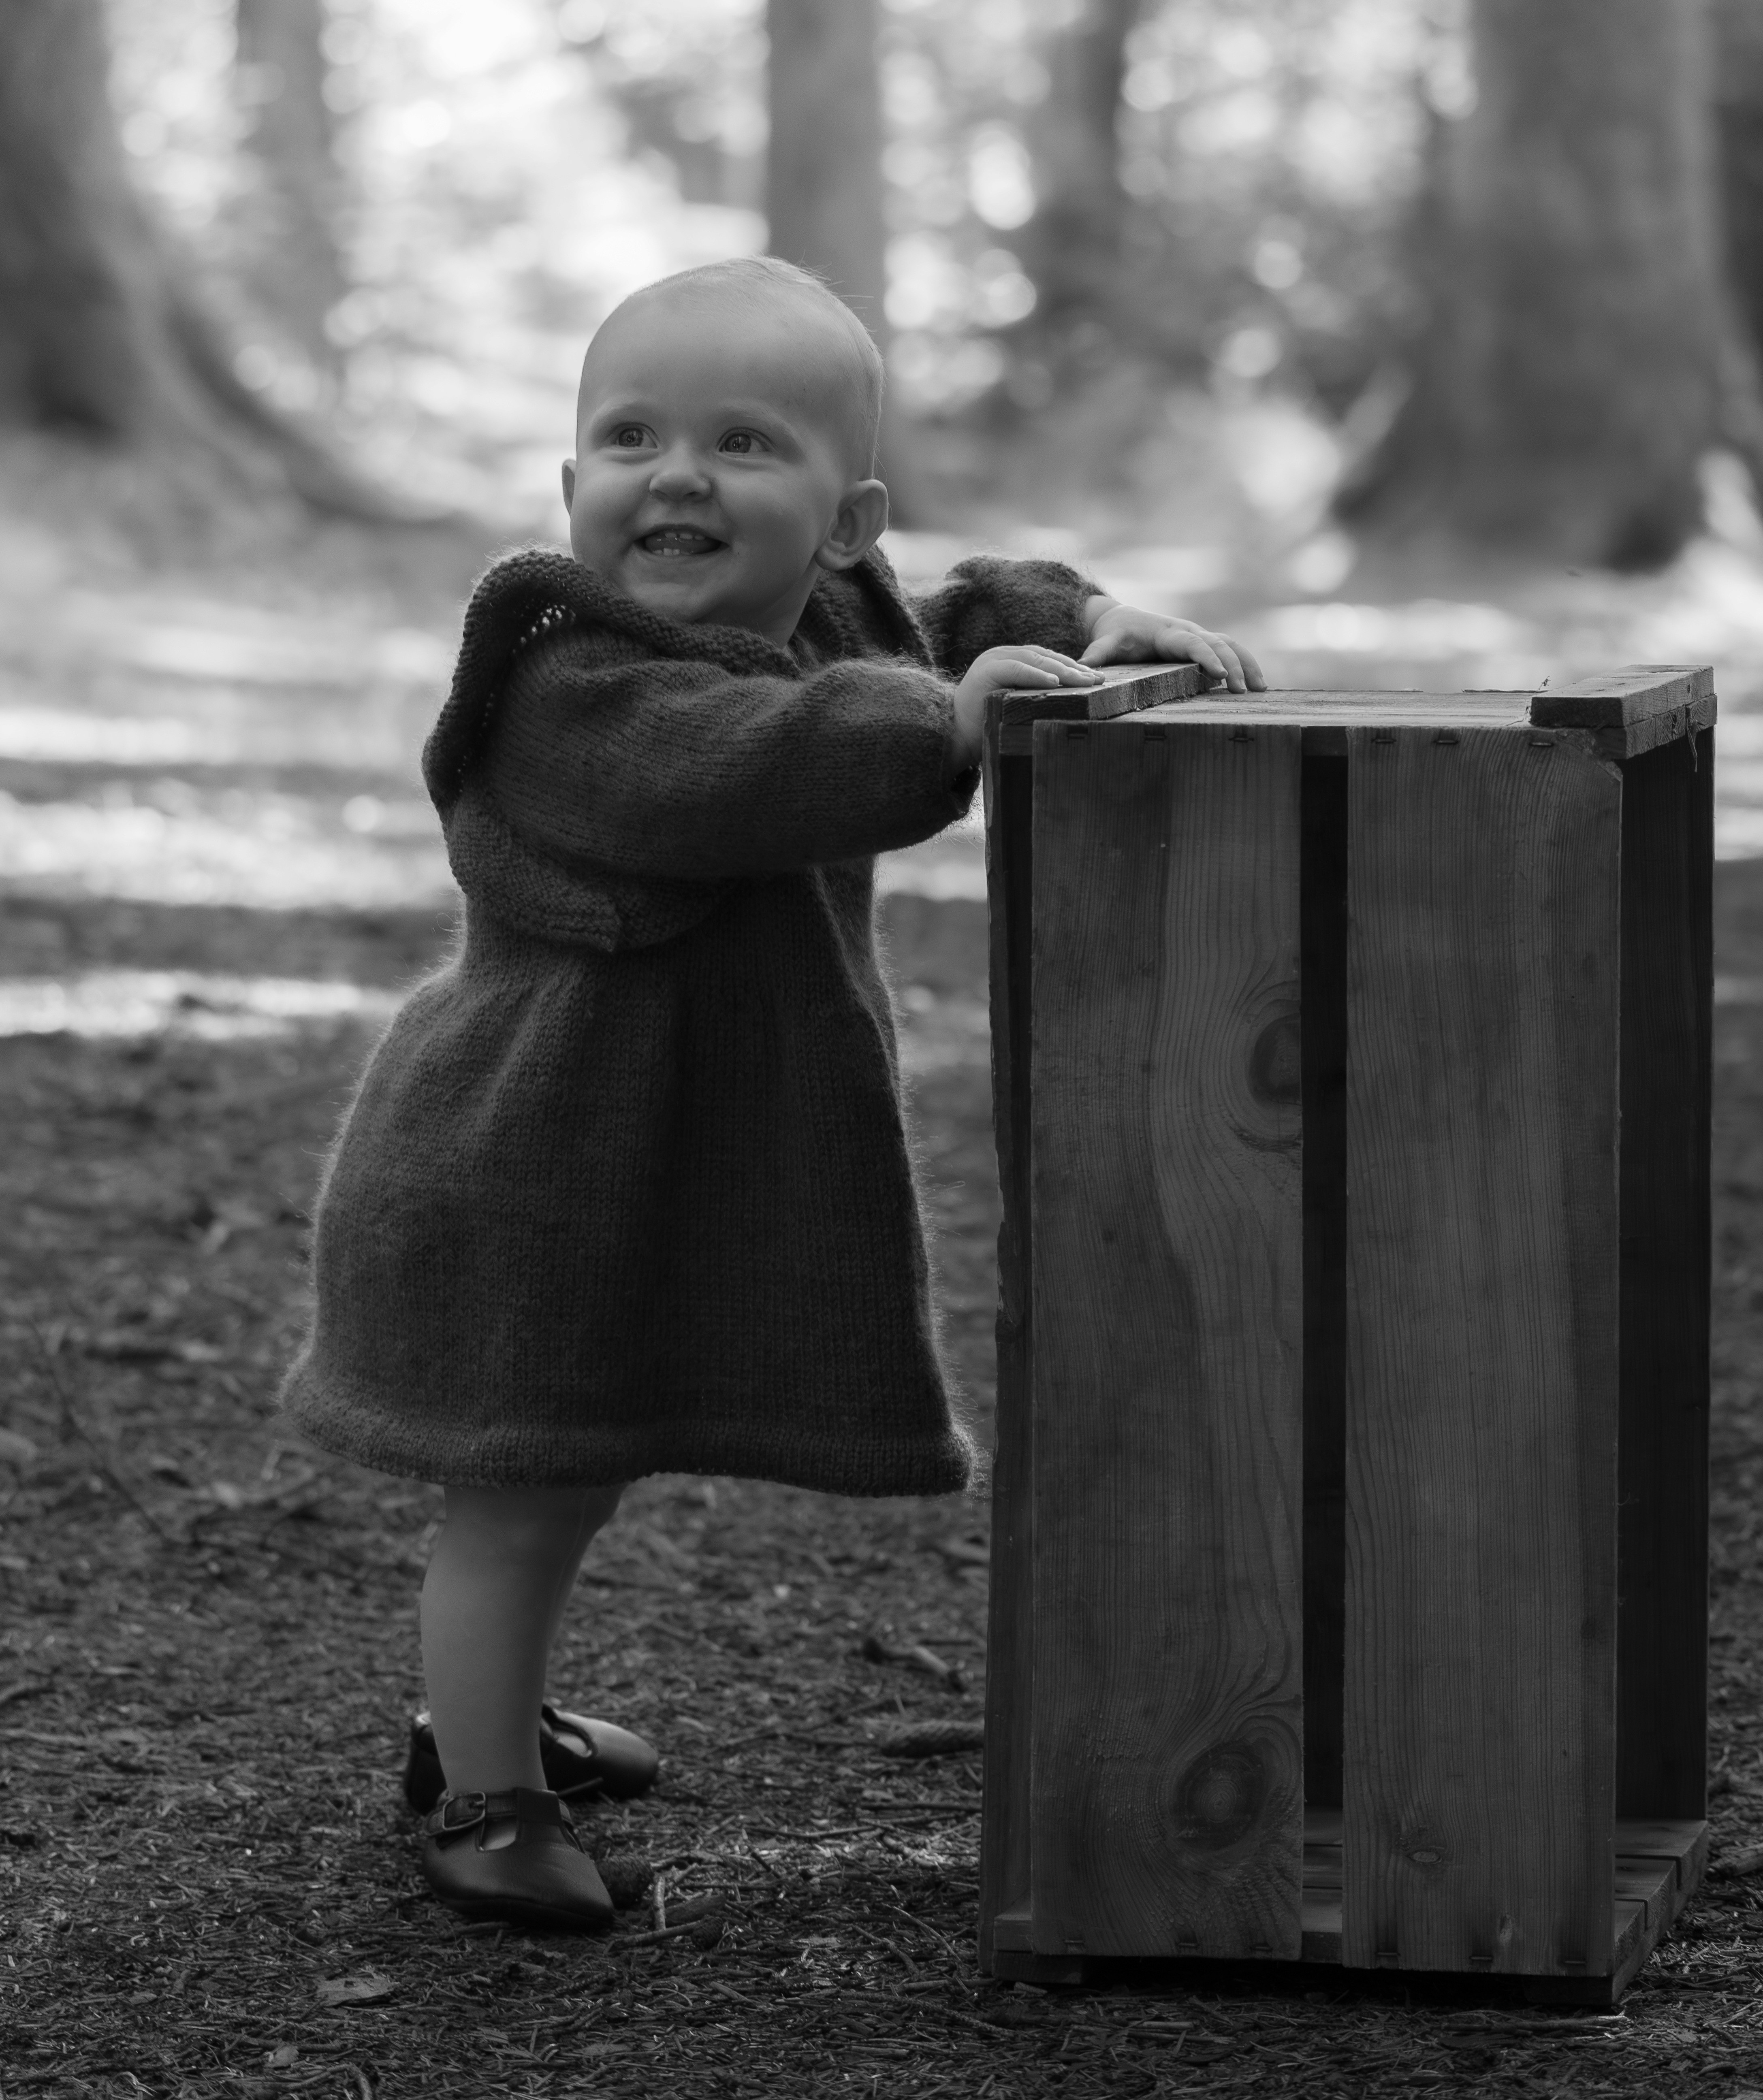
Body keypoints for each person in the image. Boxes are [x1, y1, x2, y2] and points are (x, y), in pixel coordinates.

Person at [280, 256, 1264, 1930]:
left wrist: (1082, 620)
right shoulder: (567, 678)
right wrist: (944, 727)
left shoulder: (821, 618)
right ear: (568, 482)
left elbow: (951, 613)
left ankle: (492, 1714)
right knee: (521, 1483)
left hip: (634, 1155)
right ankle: (479, 1785)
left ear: (842, 520)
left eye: (744, 442)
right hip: (517, 1156)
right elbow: (753, 760)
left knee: (569, 1468)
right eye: (631, 435)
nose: (675, 474)